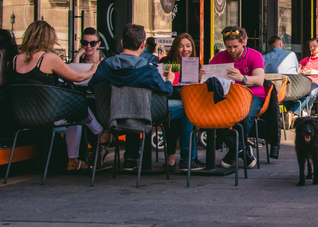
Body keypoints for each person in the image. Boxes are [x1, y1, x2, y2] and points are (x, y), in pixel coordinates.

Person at [90, 24, 202, 171]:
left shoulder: (105, 66)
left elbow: (93, 85)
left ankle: (130, 159)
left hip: (114, 115)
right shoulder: (147, 69)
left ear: (122, 42)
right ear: (143, 44)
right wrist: (169, 79)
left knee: (131, 106)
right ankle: (188, 161)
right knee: (187, 108)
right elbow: (166, 91)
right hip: (145, 114)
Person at [11, 20, 105, 171]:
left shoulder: (16, 59)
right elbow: (77, 77)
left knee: (76, 111)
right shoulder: (48, 58)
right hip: (47, 114)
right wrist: (93, 70)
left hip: (23, 115)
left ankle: (99, 134)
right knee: (77, 109)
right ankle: (80, 154)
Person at [209, 26, 265, 169]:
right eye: (228, 47)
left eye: (235, 46)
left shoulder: (255, 55)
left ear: (244, 42)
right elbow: (209, 75)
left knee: (245, 116)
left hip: (253, 94)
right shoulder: (221, 56)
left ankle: (233, 152)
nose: (232, 51)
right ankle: (243, 149)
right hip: (230, 97)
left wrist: (242, 78)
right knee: (212, 116)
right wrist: (202, 74)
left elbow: (259, 80)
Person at [157, 33, 202, 170]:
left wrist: (200, 79)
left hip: (184, 103)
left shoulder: (196, 64)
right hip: (167, 103)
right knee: (187, 112)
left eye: (188, 46)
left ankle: (174, 158)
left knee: (185, 111)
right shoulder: (166, 62)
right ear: (175, 47)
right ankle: (188, 160)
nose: (185, 50)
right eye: (181, 46)